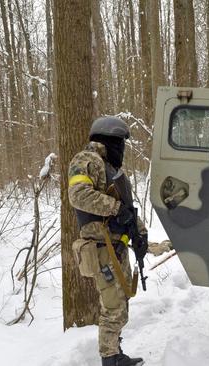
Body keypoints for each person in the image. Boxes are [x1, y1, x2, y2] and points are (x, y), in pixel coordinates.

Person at [68, 116, 147, 366]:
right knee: (112, 307)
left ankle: (116, 353)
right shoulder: (86, 160)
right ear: (109, 140)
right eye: (120, 142)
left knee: (120, 305)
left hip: (117, 247)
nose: (122, 148)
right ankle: (109, 360)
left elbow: (128, 210)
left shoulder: (111, 168)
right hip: (102, 249)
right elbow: (78, 195)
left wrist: (140, 234)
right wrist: (114, 208)